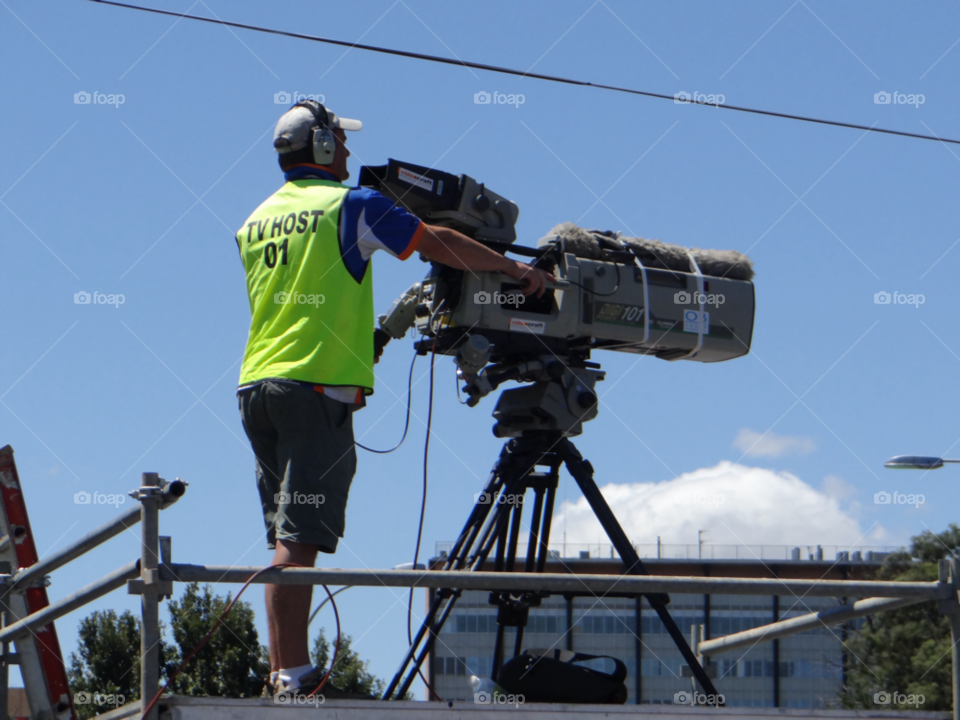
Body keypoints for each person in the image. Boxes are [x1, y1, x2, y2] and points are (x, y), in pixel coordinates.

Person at [234, 100, 554, 698]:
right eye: (344, 144)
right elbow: (436, 243)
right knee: (299, 539)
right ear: (325, 147)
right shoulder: (349, 205)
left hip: (258, 386)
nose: (352, 154)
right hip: (313, 387)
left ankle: (283, 674)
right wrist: (514, 271)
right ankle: (297, 679)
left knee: (284, 537)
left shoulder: (256, 219)